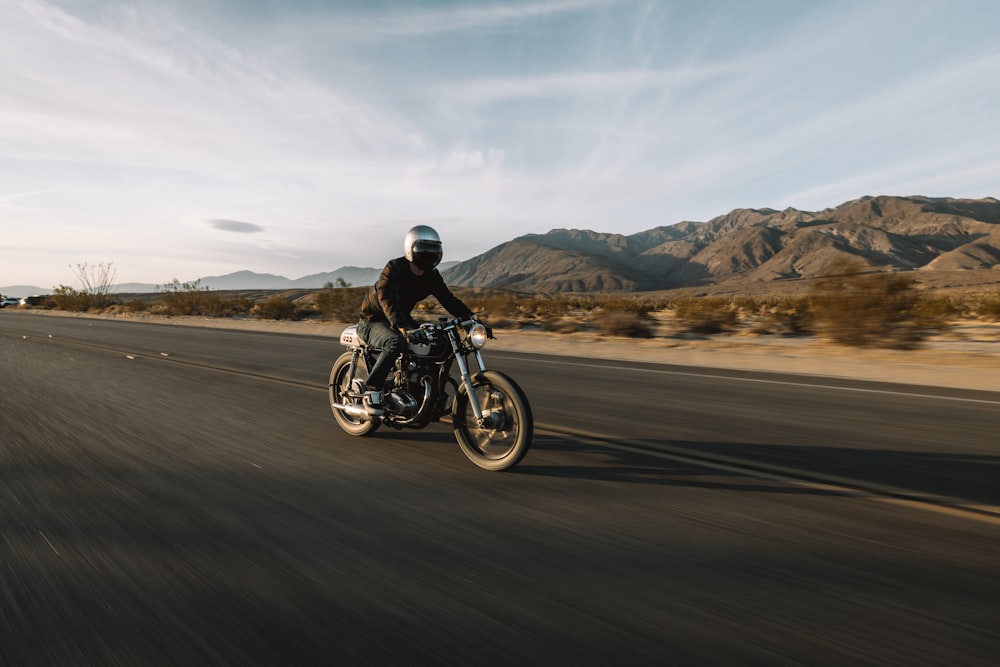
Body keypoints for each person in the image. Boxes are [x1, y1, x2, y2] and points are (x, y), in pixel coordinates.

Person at [356, 225, 473, 414]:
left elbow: (448, 299)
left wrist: (472, 319)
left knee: (442, 342)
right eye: (424, 251)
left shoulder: (431, 276)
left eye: (433, 251)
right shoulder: (394, 268)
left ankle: (430, 393)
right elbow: (387, 300)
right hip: (373, 320)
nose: (429, 256)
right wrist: (403, 327)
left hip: (401, 319)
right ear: (411, 250)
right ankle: (372, 390)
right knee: (396, 342)